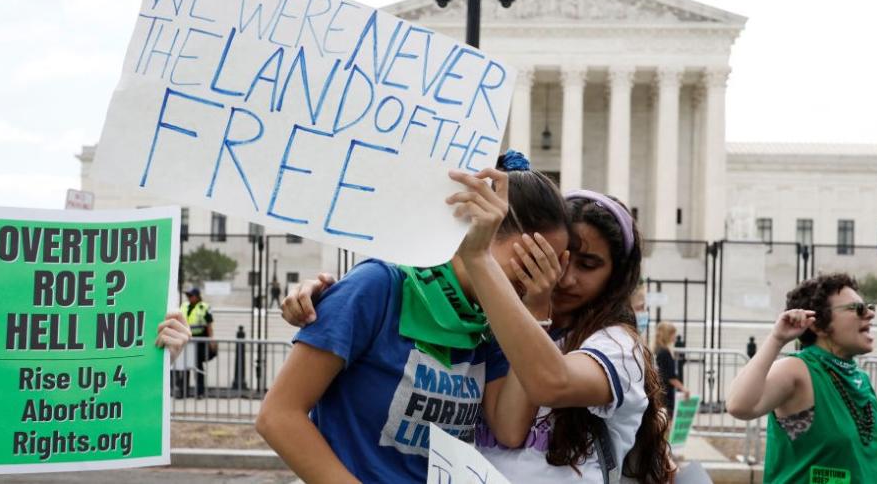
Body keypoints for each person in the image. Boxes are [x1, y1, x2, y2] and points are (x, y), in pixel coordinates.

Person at [281, 185, 675, 483]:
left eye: (585, 264)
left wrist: (530, 305)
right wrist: (328, 300)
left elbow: (542, 389)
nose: (562, 277)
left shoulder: (616, 345)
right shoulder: (480, 318)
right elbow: (281, 413)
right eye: (546, 260)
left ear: (616, 277)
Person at [255, 153, 572, 483]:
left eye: (553, 268)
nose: (541, 278)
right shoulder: (378, 286)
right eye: (533, 261)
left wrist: (536, 307)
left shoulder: (490, 324)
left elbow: (508, 428)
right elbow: (278, 414)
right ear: (484, 231)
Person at [726, 273, 877, 483]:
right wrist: (777, 339)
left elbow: (844, 457)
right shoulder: (799, 369)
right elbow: (739, 405)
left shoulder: (859, 379)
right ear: (818, 325)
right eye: (857, 309)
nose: (869, 314)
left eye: (868, 306)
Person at [175, 287, 214, 398]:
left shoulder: (204, 307)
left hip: (199, 341)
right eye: (188, 295)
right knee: (184, 367)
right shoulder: (184, 306)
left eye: (191, 295)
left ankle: (200, 392)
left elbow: (209, 325)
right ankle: (183, 391)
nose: (189, 297)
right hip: (185, 341)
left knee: (198, 367)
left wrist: (211, 339)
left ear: (197, 296)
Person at [654, 322, 688, 418]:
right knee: (668, 419)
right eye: (673, 334)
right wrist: (684, 389)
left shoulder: (657, 349)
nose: (675, 336)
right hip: (666, 392)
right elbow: (670, 376)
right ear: (667, 335)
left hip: (659, 390)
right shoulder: (665, 352)